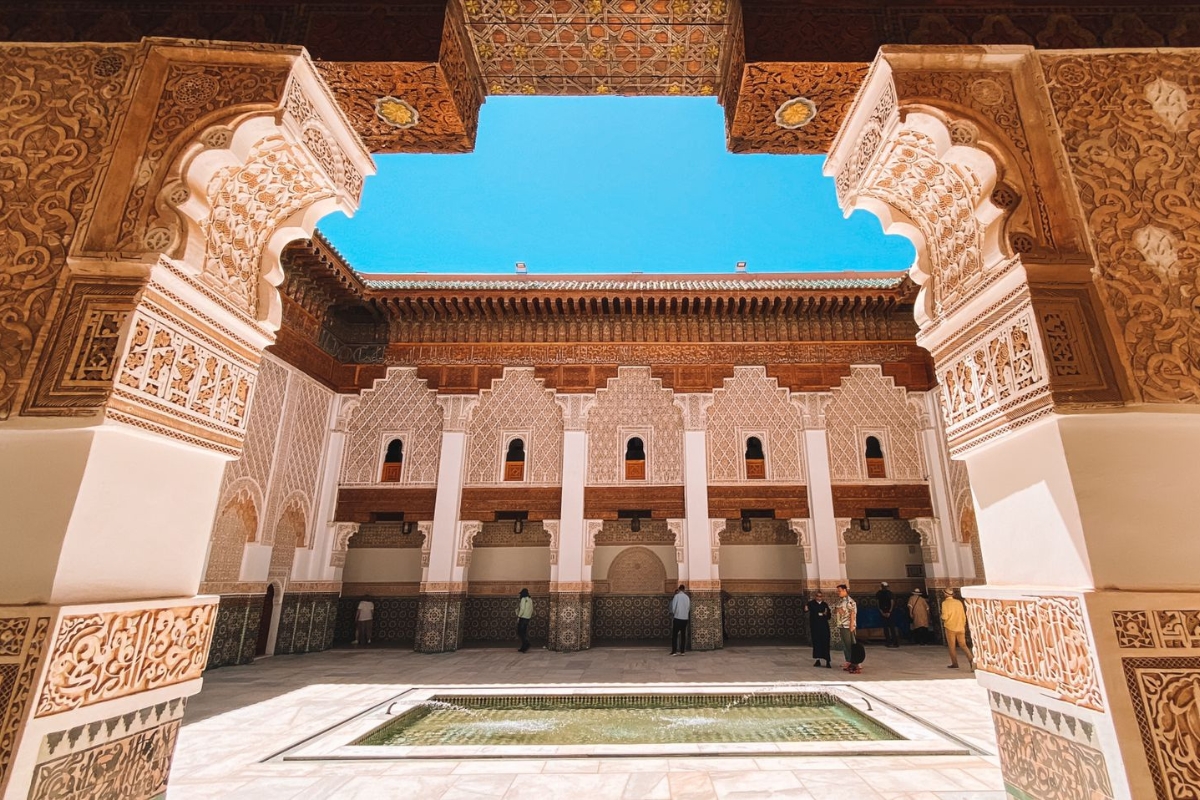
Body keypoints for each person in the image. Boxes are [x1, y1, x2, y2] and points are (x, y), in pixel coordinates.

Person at [941, 588, 973, 669]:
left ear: (945, 594)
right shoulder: (959, 602)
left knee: (952, 647)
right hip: (960, 627)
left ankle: (955, 663)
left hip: (950, 627)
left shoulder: (945, 603)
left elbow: (945, 616)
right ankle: (972, 660)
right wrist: (963, 625)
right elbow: (963, 615)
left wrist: (941, 616)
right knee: (963, 645)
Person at [833, 584, 860, 673]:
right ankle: (848, 660)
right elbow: (836, 609)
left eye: (839, 591)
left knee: (850, 644)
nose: (838, 593)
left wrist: (852, 625)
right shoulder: (841, 601)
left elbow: (853, 613)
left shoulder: (849, 601)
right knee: (845, 644)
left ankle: (854, 661)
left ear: (845, 590)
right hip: (841, 625)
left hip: (847, 625)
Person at [806, 591, 832, 668]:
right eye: (817, 596)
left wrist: (826, 614)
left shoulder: (825, 605)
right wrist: (805, 608)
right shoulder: (811, 604)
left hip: (824, 626)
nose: (819, 597)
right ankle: (818, 660)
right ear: (815, 596)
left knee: (825, 642)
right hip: (815, 626)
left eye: (820, 596)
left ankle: (827, 660)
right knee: (816, 642)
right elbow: (805, 609)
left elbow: (829, 616)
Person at [669, 584, 690, 656]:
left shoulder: (676, 596)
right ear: (684, 589)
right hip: (685, 618)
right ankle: (682, 651)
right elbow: (688, 608)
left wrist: (675, 614)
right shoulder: (687, 597)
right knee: (683, 635)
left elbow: (673, 607)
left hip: (677, 618)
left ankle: (674, 651)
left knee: (675, 635)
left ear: (679, 589)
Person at [876, 581, 899, 648]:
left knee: (886, 628)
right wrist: (889, 612)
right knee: (892, 627)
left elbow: (878, 604)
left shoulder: (879, 594)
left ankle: (888, 642)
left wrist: (882, 612)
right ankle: (895, 642)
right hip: (890, 613)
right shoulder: (890, 593)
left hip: (883, 612)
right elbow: (892, 603)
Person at [516, 588, 533, 653]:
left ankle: (526, 644)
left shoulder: (523, 599)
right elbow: (531, 609)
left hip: (523, 618)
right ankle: (523, 647)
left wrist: (519, 616)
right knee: (523, 632)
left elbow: (522, 609)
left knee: (520, 632)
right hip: (527, 618)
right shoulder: (530, 599)